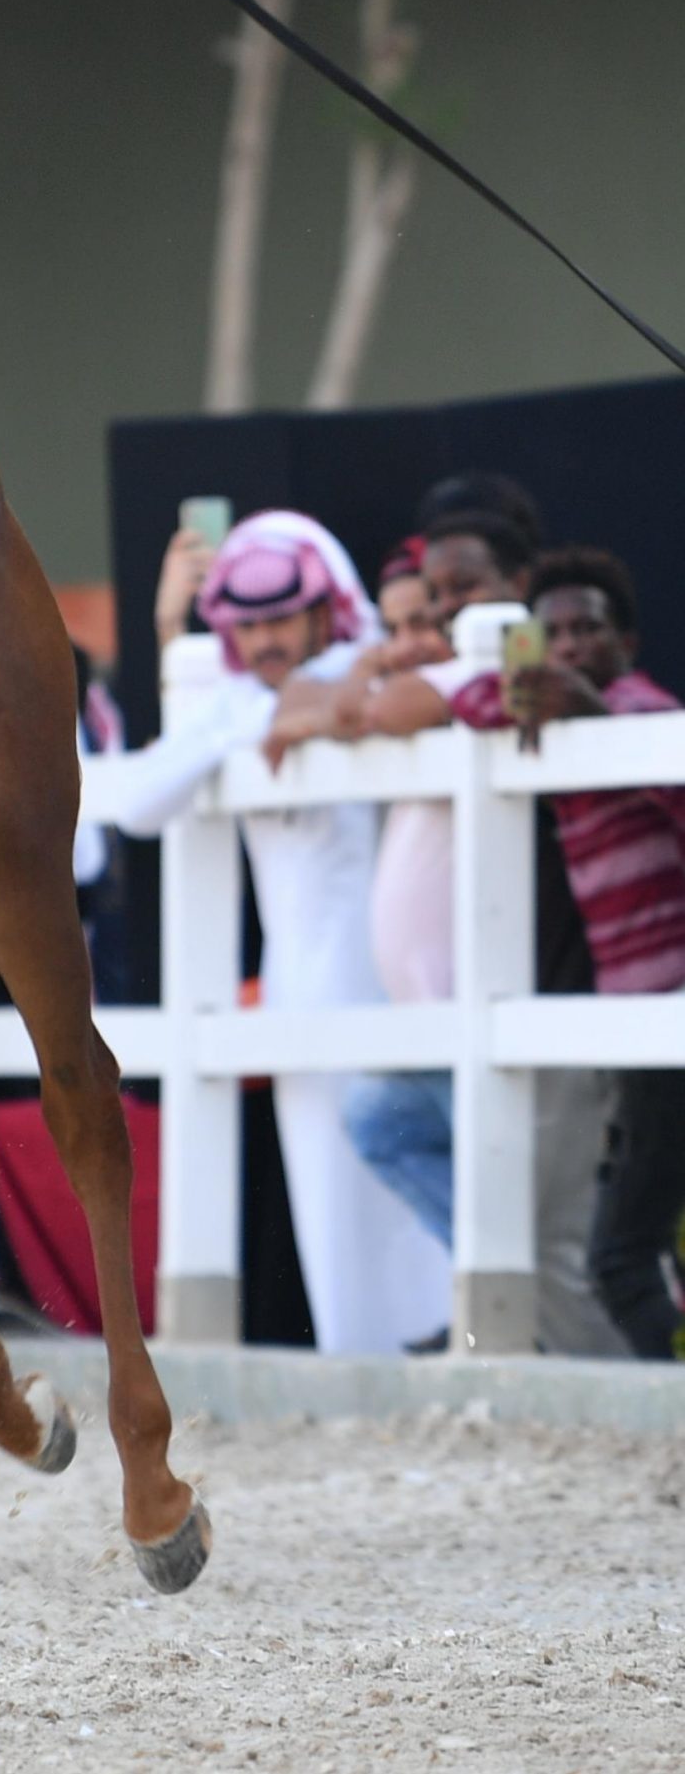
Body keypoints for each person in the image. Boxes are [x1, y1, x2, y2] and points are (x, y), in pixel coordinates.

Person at [84, 509, 449, 1353]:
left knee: (414, 1194)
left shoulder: (364, 672)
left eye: (282, 617)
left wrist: (264, 714)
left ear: (326, 610)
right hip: (303, 990)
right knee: (331, 1211)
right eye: (245, 624)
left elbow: (344, 689)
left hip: (403, 980)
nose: (264, 639)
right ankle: (368, 1376)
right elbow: (138, 804)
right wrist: (190, 655)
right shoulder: (241, 704)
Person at [312, 505, 619, 1355]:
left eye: (460, 590)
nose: (446, 611)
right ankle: (493, 1309)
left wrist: (376, 680)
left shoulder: (499, 674)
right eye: (432, 595)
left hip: (523, 1004)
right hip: (446, 1019)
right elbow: (322, 709)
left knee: (547, 1248)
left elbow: (367, 714)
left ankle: (596, 1376)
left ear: (516, 586)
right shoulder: (460, 679)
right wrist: (370, 669)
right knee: (382, 1121)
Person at [472, 546, 685, 1359]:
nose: (567, 647)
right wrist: (519, 689)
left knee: (621, 1257)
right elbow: (469, 701)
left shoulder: (639, 710)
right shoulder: (551, 717)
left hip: (666, 1021)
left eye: (585, 630)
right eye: (549, 634)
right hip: (634, 1032)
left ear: (624, 642)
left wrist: (596, 714)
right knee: (640, 1248)